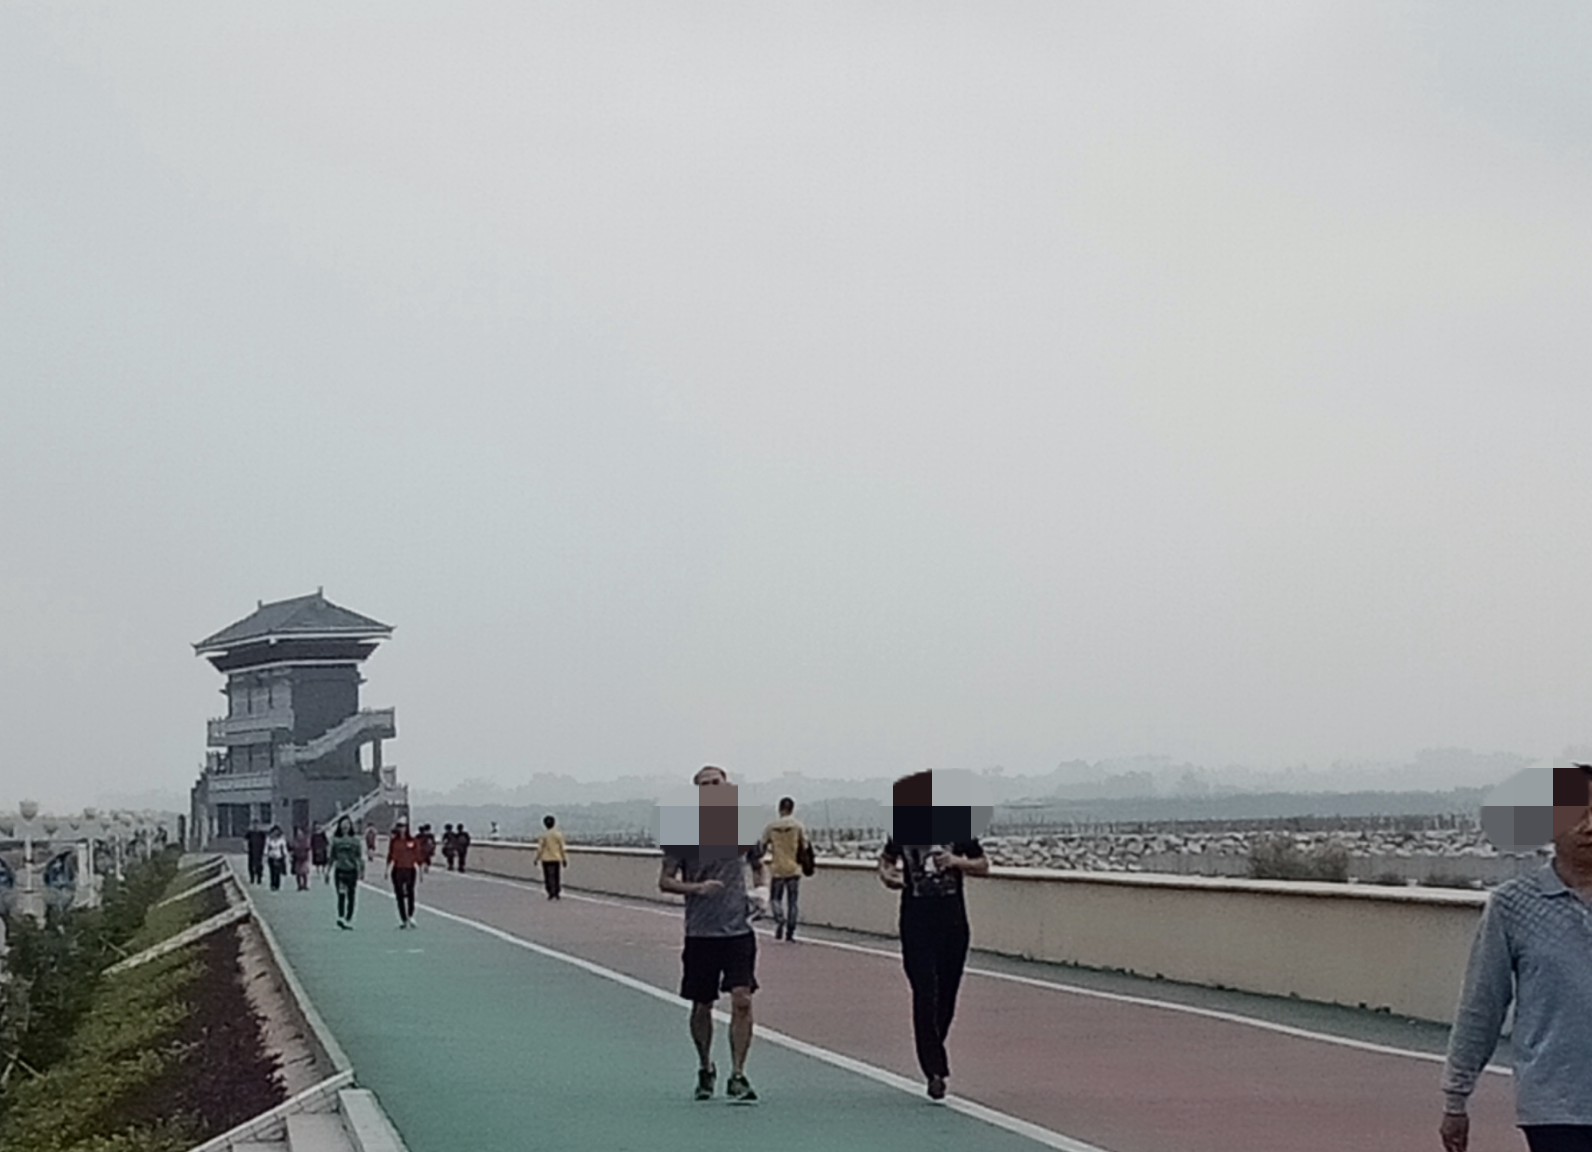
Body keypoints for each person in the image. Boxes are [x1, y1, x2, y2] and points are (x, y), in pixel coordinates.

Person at [1441, 763, 1592, 1152]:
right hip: (1556, 1108)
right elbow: (1482, 1004)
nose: (1589, 827)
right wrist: (1456, 1097)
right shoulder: (1512, 905)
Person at [658, 765, 769, 1104]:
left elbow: (758, 864)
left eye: (716, 783)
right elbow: (665, 880)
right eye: (704, 785)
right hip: (701, 932)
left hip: (738, 930)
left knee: (742, 999)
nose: (711, 789)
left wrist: (762, 892)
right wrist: (697, 888)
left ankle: (738, 1074)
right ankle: (706, 1067)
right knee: (702, 1003)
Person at [878, 770, 989, 1101]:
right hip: (916, 922)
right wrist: (888, 876)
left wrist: (955, 861)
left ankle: (934, 1048)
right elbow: (885, 861)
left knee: (947, 996)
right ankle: (935, 1070)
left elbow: (984, 865)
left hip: (953, 923)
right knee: (925, 992)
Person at [759, 797, 811, 941]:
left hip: (777, 869)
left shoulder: (771, 827)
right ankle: (790, 931)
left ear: (779, 809)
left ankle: (779, 918)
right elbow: (805, 845)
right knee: (792, 902)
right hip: (793, 868)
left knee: (775, 898)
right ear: (792, 809)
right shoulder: (798, 826)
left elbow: (762, 846)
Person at [330, 815, 364, 929]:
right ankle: (341, 916)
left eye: (347, 824)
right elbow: (332, 856)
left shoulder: (355, 841)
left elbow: (359, 857)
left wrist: (361, 871)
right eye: (343, 824)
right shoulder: (336, 840)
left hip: (352, 871)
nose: (345, 826)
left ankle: (349, 917)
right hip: (340, 871)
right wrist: (327, 871)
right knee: (341, 895)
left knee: (351, 895)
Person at [387, 817, 422, 928]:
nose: (402, 829)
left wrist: (421, 870)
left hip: (410, 869)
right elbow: (390, 855)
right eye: (400, 826)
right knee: (399, 895)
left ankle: (410, 915)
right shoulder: (394, 841)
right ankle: (403, 918)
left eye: (403, 826)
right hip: (398, 869)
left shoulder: (412, 841)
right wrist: (386, 869)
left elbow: (417, 856)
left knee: (410, 892)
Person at [534, 814, 567, 900]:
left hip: (546, 858)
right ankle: (556, 891)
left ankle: (550, 891)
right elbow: (562, 848)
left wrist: (536, 858)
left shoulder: (543, 835)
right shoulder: (558, 834)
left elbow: (540, 848)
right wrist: (564, 859)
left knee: (548, 875)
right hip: (556, 857)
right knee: (556, 875)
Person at [264, 825, 289, 891]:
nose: (275, 833)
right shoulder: (269, 839)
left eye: (276, 832)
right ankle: (272, 884)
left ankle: (277, 885)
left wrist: (285, 855)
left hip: (279, 857)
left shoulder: (281, 839)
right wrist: (265, 855)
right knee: (272, 871)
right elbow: (266, 847)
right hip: (271, 857)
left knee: (277, 872)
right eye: (274, 832)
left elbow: (284, 848)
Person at [290, 826, 312, 891]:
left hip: (304, 858)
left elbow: (308, 849)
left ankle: (305, 885)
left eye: (300, 832)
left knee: (304, 872)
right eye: (298, 832)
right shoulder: (294, 841)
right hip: (297, 858)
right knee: (298, 873)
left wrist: (308, 857)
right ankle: (299, 885)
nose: (299, 834)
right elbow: (292, 849)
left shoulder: (305, 840)